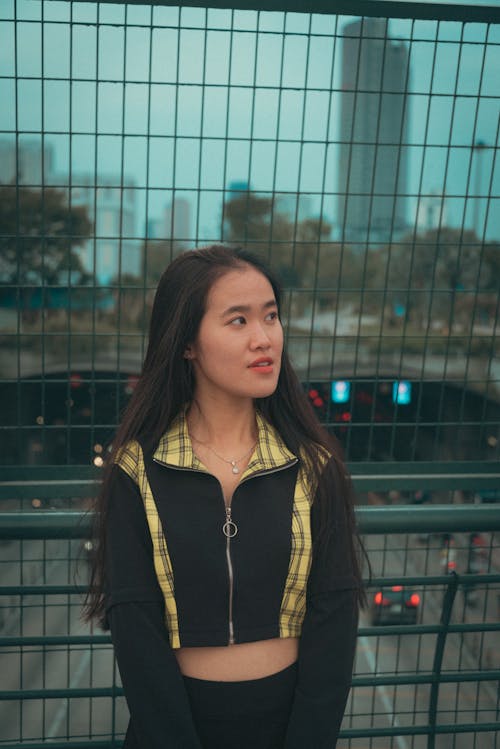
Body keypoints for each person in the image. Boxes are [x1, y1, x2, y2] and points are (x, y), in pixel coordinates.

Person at [83, 244, 364, 749]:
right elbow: (137, 632)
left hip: (286, 727)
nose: (265, 339)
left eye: (271, 317)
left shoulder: (316, 467)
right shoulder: (137, 470)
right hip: (174, 727)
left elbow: (334, 622)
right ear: (187, 342)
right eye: (238, 321)